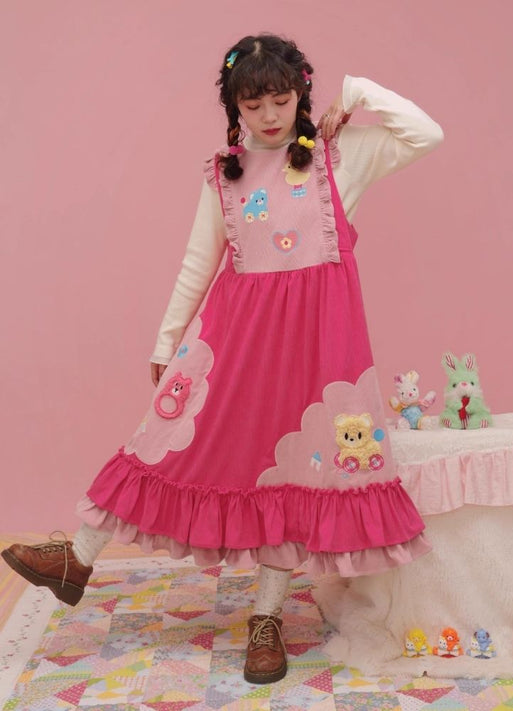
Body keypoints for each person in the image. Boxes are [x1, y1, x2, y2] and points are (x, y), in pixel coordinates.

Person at [2, 33, 443, 684]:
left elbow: (426, 133)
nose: (269, 115)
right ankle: (77, 557)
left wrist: (356, 94)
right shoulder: (224, 174)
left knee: (292, 473)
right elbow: (197, 261)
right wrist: (166, 340)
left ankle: (266, 618)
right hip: (234, 341)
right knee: (163, 441)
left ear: (301, 95)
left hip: (318, 351)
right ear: (233, 108)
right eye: (252, 104)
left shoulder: (339, 156)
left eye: (281, 99)